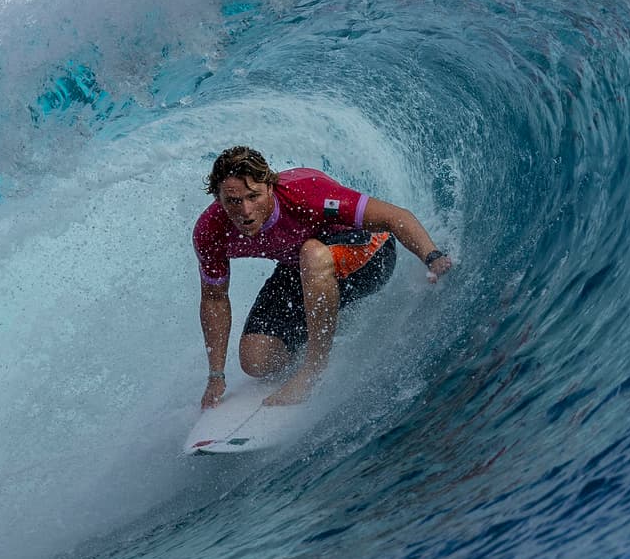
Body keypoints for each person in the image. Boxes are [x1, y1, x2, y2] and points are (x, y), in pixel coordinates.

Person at [194, 146, 455, 409]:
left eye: (254, 197)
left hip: (368, 257)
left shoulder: (305, 193)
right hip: (301, 267)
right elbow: (214, 298)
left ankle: (313, 368)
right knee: (257, 360)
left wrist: (432, 257)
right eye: (234, 202)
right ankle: (322, 325)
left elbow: (394, 217)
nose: (246, 211)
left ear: (269, 187)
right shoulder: (210, 231)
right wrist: (216, 375)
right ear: (218, 199)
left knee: (312, 253)